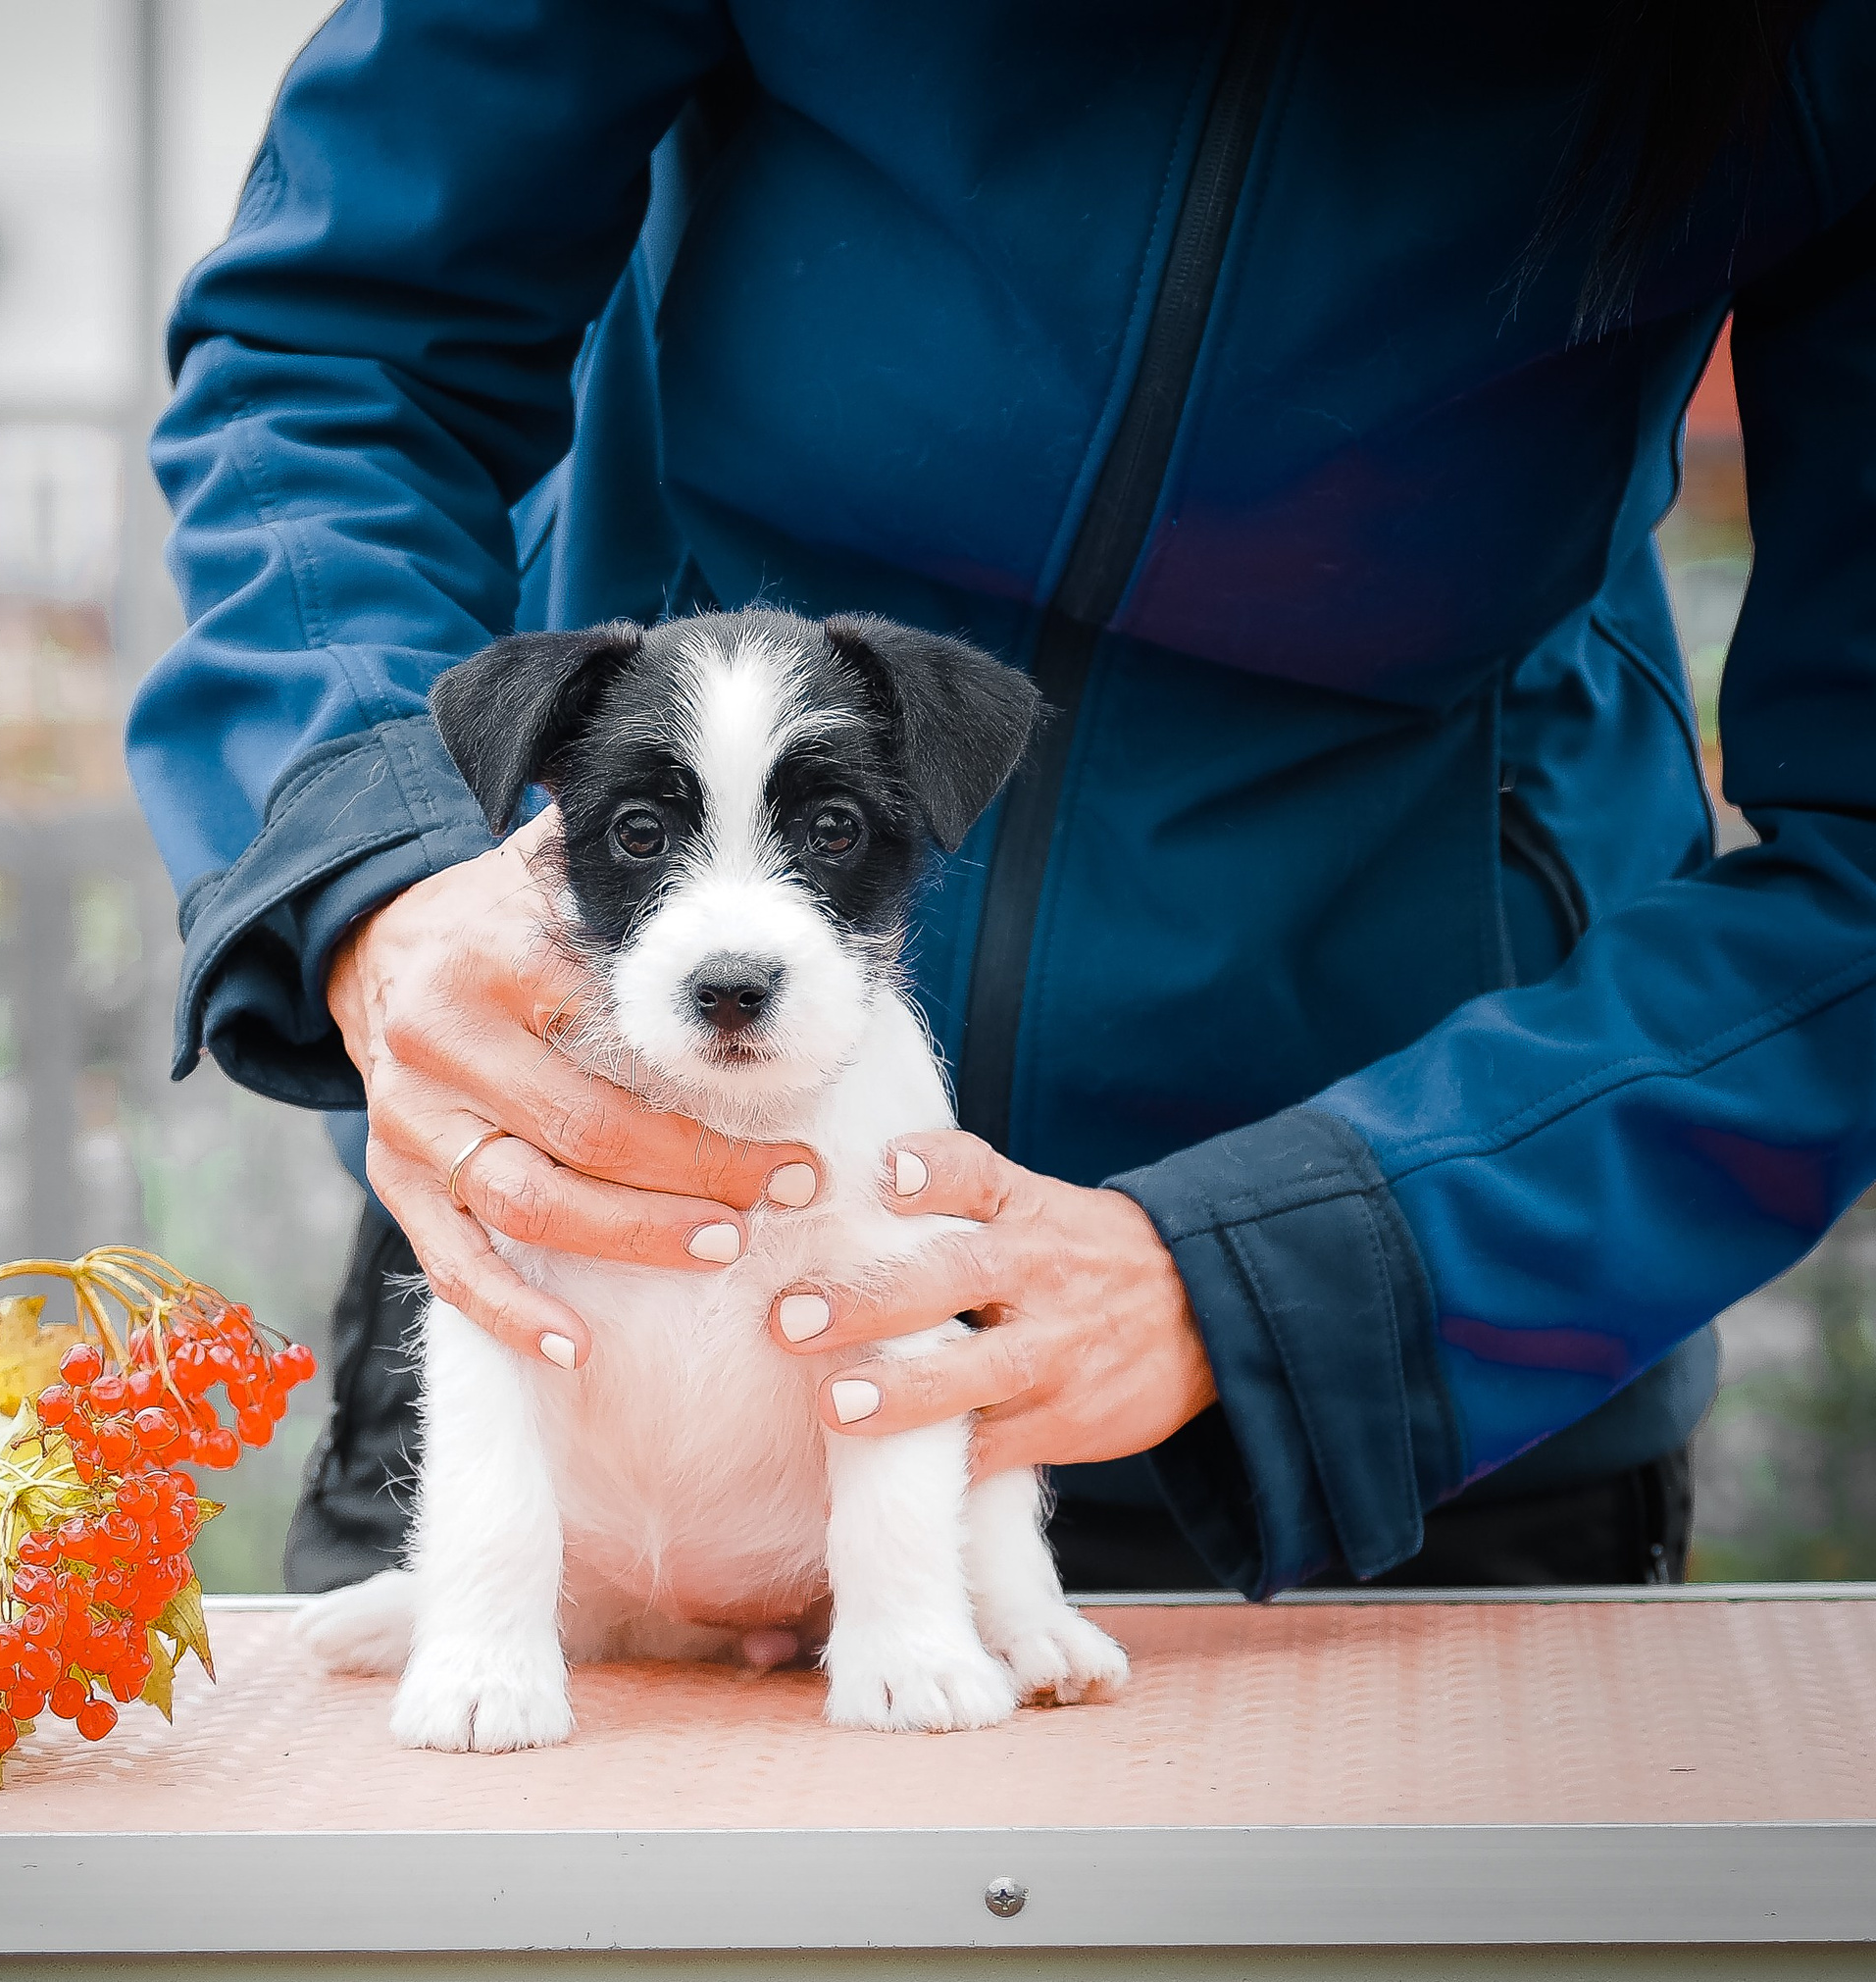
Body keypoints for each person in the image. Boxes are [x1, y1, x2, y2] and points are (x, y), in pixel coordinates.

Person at [127, 0, 1876, 1601]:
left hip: (1400, 1391)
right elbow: (343, 347)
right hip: (594, 1306)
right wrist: (381, 860)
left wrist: (1301, 1272)